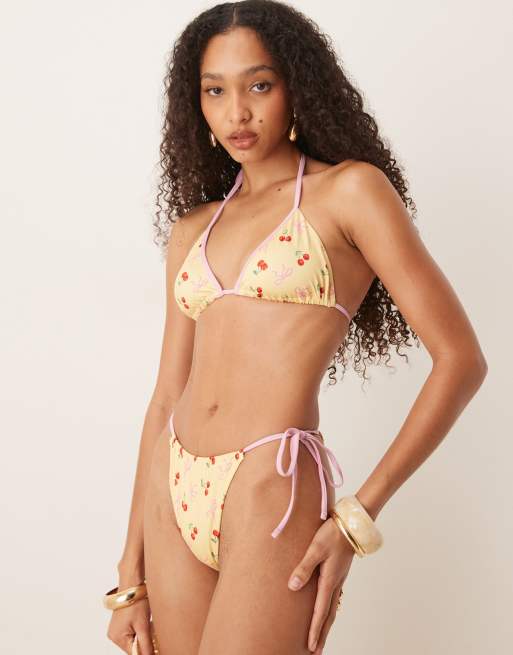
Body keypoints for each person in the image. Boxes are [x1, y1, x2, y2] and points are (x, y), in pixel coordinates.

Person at [104, 2, 488, 653]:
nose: (237, 113)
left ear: (296, 87)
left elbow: (460, 359)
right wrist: (128, 573)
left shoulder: (350, 193)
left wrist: (356, 516)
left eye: (259, 85)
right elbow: (167, 395)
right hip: (172, 487)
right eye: (215, 91)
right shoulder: (193, 229)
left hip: (269, 484)